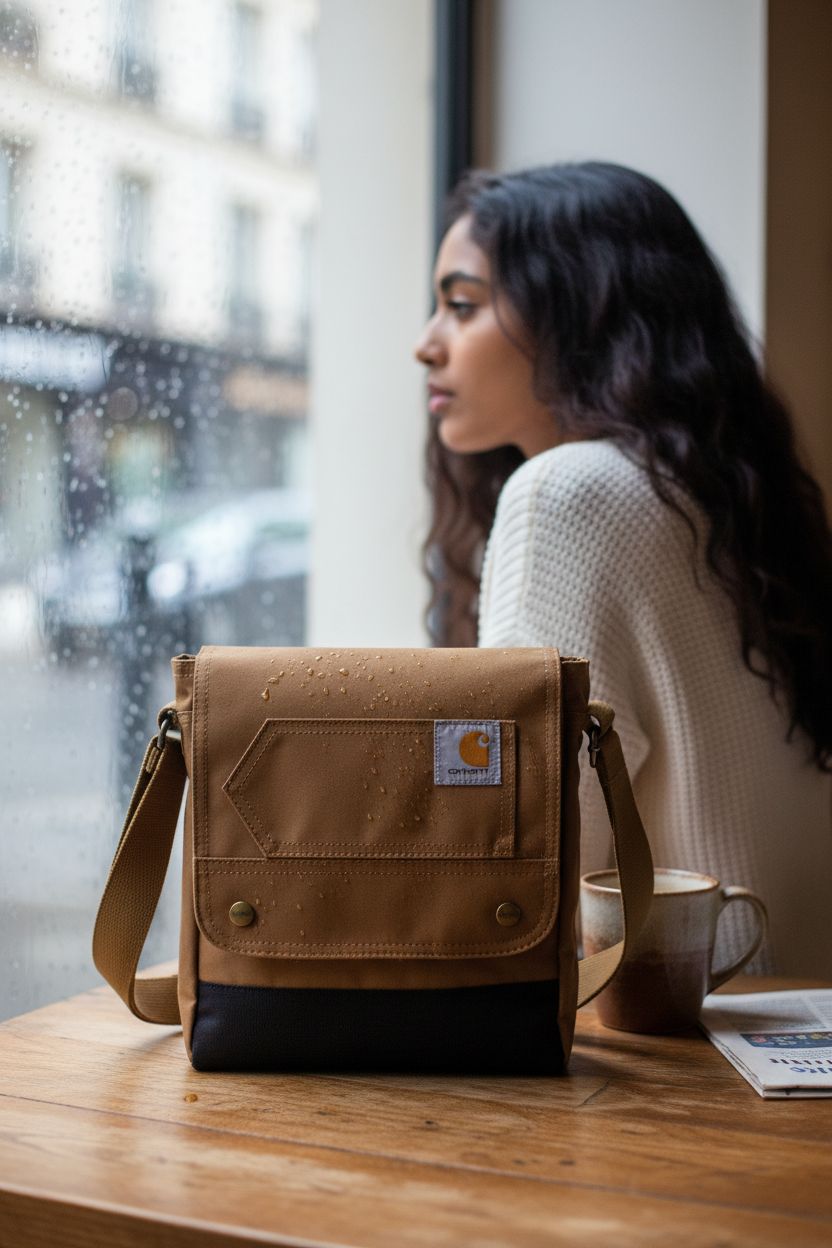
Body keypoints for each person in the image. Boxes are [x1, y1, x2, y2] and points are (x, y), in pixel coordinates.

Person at [413, 161, 832, 977]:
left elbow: (518, 864)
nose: (426, 341)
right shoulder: (730, 499)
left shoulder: (566, 494)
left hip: (675, 1048)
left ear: (578, 314)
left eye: (462, 305)